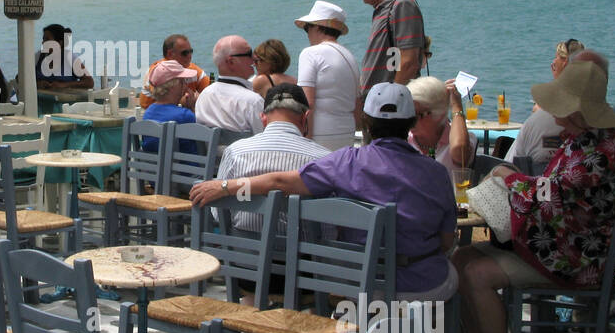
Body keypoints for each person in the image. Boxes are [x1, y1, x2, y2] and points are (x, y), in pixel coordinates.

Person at [453, 61, 615, 333]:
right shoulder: (584, 141)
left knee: (475, 273)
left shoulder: (599, 153)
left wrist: (508, 178)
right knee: (460, 258)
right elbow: (552, 191)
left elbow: (551, 191)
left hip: (575, 258)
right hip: (558, 243)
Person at [191, 83, 457, 303]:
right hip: (423, 286)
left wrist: (224, 185)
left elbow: (281, 181)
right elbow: (446, 242)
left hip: (363, 284)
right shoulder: (437, 173)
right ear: (411, 123)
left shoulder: (346, 162)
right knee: (456, 272)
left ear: (366, 122)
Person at [506, 49, 615, 196]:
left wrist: (508, 178)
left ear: (573, 111)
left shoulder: (590, 154)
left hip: (564, 221)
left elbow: (549, 197)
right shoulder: (589, 139)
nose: (553, 110)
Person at [211, 83, 331, 244]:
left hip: (242, 255)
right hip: (299, 262)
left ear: (263, 118)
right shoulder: (323, 159)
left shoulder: (235, 152)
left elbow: (218, 214)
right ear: (305, 117)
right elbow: (328, 227)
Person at [352, 0, 426, 99]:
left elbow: (408, 62)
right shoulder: (385, 9)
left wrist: (391, 101)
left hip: (387, 108)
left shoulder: (401, 4)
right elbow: (397, 58)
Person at [294, 0, 359, 150]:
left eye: (307, 28)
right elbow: (357, 103)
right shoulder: (349, 56)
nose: (307, 33)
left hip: (320, 132)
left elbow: (307, 101)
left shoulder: (310, 53)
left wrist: (306, 139)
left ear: (316, 27)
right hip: (347, 131)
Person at [193, 35, 263, 135]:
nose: (254, 58)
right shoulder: (252, 102)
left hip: (210, 151)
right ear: (231, 62)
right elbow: (265, 141)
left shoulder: (204, 96)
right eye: (249, 54)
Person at [407, 76, 474, 169]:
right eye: (407, 112)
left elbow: (460, 152)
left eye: (416, 115)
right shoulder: (403, 140)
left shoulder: (463, 139)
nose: (409, 120)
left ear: (439, 114)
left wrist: (456, 107)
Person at [139, 33, 210, 109]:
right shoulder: (157, 72)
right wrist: (185, 99)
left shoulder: (194, 71)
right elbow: (163, 99)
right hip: (154, 113)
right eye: (185, 53)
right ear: (170, 54)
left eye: (191, 51)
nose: (190, 56)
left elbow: (210, 92)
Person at [36, 23, 94, 90]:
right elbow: (24, 79)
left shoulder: (70, 58)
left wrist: (64, 85)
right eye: (43, 39)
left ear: (59, 43)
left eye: (47, 40)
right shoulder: (38, 57)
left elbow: (89, 82)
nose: (43, 43)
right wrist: (38, 84)